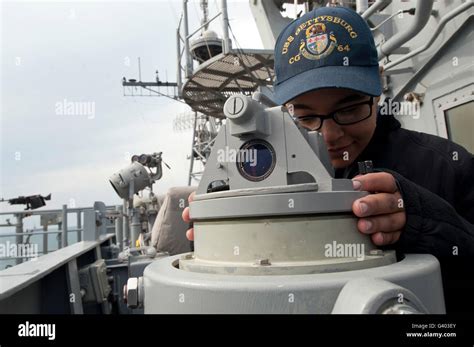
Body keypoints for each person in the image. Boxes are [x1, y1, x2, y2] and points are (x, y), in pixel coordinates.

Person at [183, 6, 474, 312]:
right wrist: (218, 231)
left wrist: (425, 222)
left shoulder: (448, 168)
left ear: (378, 87)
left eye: (348, 109)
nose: (330, 134)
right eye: (305, 117)